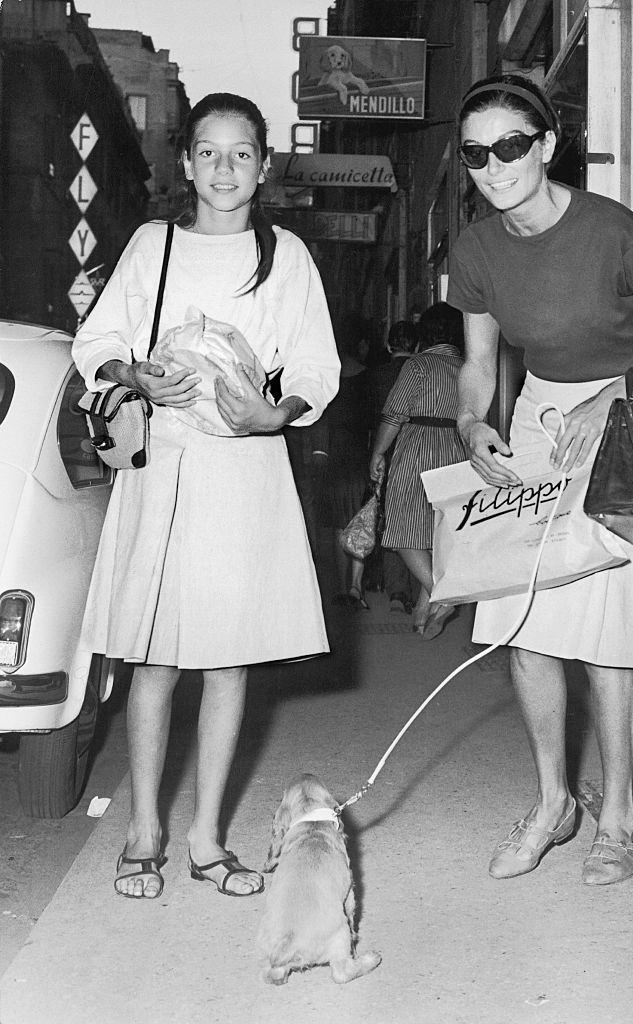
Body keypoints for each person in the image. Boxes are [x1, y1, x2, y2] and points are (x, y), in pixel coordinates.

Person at [448, 74, 633, 884]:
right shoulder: (475, 248)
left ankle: (619, 820)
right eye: (476, 152)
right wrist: (473, 424)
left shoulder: (613, 231)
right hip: (541, 416)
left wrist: (608, 397)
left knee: (609, 636)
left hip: (631, 411)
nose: (494, 165)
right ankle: (552, 804)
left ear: (545, 146)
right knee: (521, 620)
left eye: (510, 145)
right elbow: (477, 365)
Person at [72, 93, 340, 899]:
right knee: (154, 658)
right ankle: (145, 828)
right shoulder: (152, 245)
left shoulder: (284, 255)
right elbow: (99, 340)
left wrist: (274, 412)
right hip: (163, 466)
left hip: (242, 469)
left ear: (265, 165)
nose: (225, 169)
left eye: (243, 153)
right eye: (210, 153)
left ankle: (205, 838)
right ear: (185, 164)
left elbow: (316, 368)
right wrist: (131, 372)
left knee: (227, 662)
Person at [369, 303, 466, 639]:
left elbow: (394, 414)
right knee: (438, 532)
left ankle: (442, 591)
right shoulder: (468, 367)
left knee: (403, 526)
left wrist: (378, 452)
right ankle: (423, 615)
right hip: (456, 448)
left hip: (418, 446)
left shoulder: (419, 364)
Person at [365, 320, 423, 613]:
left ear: (389, 346)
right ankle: (417, 587)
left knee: (386, 517)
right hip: (416, 449)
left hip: (384, 449)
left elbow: (371, 418)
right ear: (415, 346)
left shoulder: (375, 375)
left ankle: (394, 588)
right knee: (416, 518)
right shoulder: (422, 371)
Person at [319, 317, 372, 609]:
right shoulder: (367, 377)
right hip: (360, 456)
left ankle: (341, 587)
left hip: (332, 457)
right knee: (361, 522)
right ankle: (355, 588)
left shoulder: (327, 376)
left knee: (337, 525)